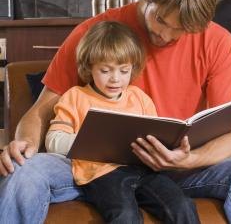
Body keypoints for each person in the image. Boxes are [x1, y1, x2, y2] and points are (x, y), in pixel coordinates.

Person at [0, 0, 231, 223]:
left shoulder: (217, 41)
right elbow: (39, 112)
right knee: (26, 170)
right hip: (94, 169)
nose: (165, 35)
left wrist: (188, 160)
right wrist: (23, 143)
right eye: (159, 19)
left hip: (176, 169)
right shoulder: (98, 32)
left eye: (180, 29)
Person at [44, 20, 199, 223]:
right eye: (105, 71)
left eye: (124, 71)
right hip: (101, 175)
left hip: (145, 170)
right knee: (125, 215)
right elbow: (53, 141)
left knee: (182, 205)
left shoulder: (139, 97)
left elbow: (156, 136)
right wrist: (93, 141)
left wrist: (173, 147)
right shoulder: (76, 97)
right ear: (90, 67)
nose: (115, 79)